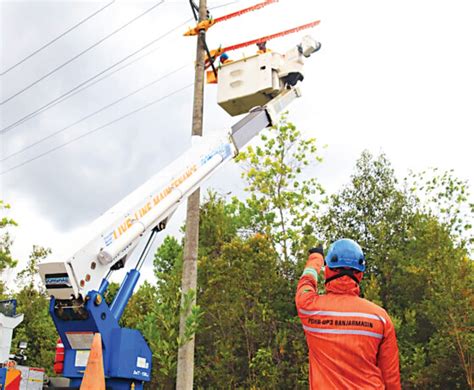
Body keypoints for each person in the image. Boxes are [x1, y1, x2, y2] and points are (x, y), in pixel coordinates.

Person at [295, 239, 401, 389]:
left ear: (329, 270)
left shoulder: (310, 308)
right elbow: (390, 377)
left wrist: (316, 258)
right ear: (360, 274)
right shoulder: (380, 318)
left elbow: (306, 281)